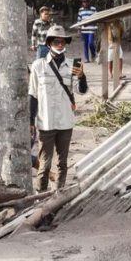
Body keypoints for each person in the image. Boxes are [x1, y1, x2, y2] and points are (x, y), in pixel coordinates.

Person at [28, 25, 87, 193]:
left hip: (66, 122)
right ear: (48, 44)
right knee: (44, 164)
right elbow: (32, 95)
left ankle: (58, 194)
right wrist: (30, 121)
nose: (60, 44)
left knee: (62, 162)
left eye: (62, 41)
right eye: (56, 41)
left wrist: (82, 77)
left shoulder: (73, 65)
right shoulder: (38, 66)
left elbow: (80, 90)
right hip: (45, 122)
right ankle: (40, 195)